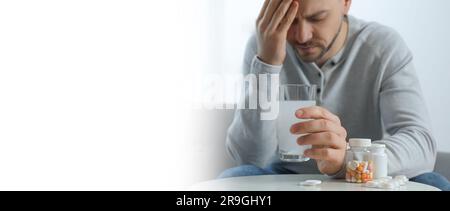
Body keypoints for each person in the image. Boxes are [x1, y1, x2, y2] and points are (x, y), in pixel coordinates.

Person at [221, 0, 450, 191]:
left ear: (345, 3)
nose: (302, 36)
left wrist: (349, 160)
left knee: (434, 183)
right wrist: (268, 64)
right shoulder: (265, 45)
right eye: (290, 19)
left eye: (317, 18)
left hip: (364, 179)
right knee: (233, 179)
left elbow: (420, 142)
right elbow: (250, 156)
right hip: (283, 173)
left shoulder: (382, 47)